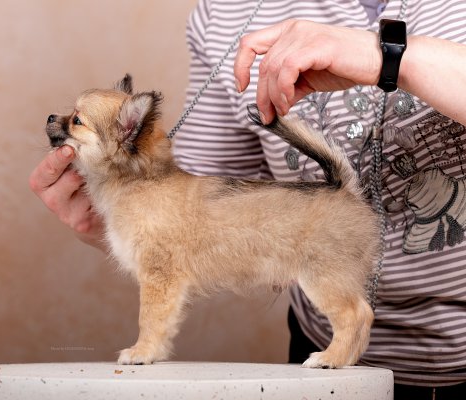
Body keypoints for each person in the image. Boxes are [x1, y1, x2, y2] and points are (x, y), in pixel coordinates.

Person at [30, 1, 466, 398]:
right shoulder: (228, 12)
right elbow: (197, 218)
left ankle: (347, 328)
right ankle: (347, 334)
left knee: (323, 269)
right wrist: (105, 222)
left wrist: (390, 57)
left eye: (78, 121)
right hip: (322, 356)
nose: (63, 122)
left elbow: (166, 264)